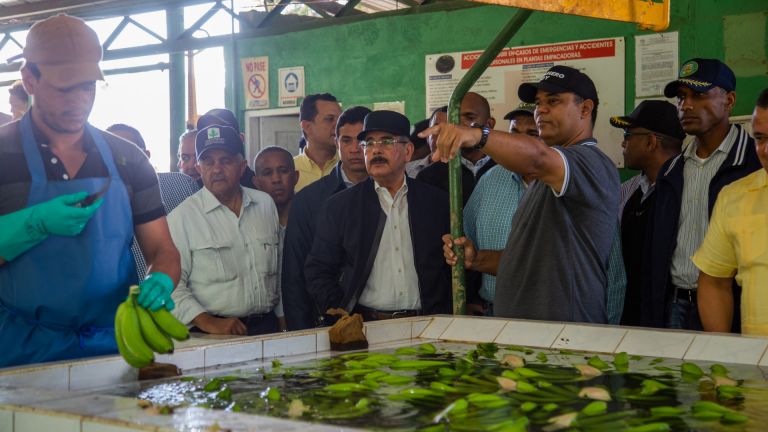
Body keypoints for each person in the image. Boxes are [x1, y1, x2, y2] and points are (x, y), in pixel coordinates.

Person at [0, 15, 180, 367]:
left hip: (114, 347)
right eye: (64, 88)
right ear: (29, 79)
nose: (79, 100)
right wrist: (34, 223)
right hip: (20, 351)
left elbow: (163, 249)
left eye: (87, 86)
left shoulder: (127, 159)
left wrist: (160, 277)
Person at [428, 65, 619, 324]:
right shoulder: (543, 180)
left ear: (585, 109)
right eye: (539, 103)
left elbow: (538, 157)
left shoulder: (590, 162)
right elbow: (531, 262)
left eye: (553, 101)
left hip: (565, 333)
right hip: (526, 331)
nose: (541, 110)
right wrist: (477, 259)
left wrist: (475, 134)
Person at [646, 58, 761, 331]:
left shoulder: (752, 166)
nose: (686, 105)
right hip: (674, 303)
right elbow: (655, 250)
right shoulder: (671, 171)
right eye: (681, 97)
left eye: (699, 95)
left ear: (729, 100)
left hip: (732, 305)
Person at [305, 111, 451, 321]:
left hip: (428, 323)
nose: (376, 150)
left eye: (387, 142)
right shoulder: (340, 207)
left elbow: (451, 267)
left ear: (408, 151)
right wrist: (341, 312)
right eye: (369, 144)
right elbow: (318, 270)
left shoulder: (436, 202)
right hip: (367, 326)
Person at [168, 125, 283, 335]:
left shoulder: (265, 204)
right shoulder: (182, 217)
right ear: (199, 168)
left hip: (268, 327)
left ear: (242, 167)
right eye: (208, 162)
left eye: (226, 161)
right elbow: (170, 286)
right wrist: (208, 322)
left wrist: (283, 321)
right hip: (212, 334)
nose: (217, 169)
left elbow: (280, 272)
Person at [282, 106, 371, 330]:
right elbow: (294, 274)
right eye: (346, 140)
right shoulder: (309, 200)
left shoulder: (391, 194)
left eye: (362, 141)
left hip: (380, 314)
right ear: (336, 142)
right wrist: (300, 333)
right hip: (328, 318)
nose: (355, 149)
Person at [693, 89, 768, 336]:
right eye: (760, 139)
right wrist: (723, 353)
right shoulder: (735, 196)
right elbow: (714, 280)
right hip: (756, 365)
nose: (765, 151)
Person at [609, 101, 685, 326]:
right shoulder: (628, 190)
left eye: (628, 135)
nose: (623, 143)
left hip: (668, 314)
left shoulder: (686, 189)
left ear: (651, 141)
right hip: (629, 310)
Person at [107, 123, 200, 280]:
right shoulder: (88, 201)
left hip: (181, 289)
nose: (119, 163)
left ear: (145, 156)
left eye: (127, 154)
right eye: (110, 155)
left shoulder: (181, 186)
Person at [416, 92, 497, 205]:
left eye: (469, 117)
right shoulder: (430, 177)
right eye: (454, 118)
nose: (459, 125)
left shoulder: (508, 169)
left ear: (489, 124)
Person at [197, 108, 258, 189]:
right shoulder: (195, 187)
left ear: (241, 138)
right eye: (206, 131)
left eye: (223, 130)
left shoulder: (256, 184)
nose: (214, 136)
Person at [294, 93, 342, 192]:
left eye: (340, 119)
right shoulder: (291, 170)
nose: (338, 126)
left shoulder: (347, 166)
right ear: (307, 127)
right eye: (330, 119)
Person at [253, 146, 299, 227]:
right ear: (256, 182)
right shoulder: (251, 218)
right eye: (267, 173)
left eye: (283, 171)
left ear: (295, 177)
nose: (276, 179)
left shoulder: (312, 213)